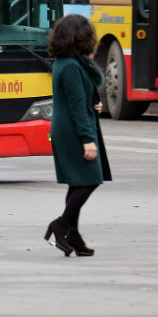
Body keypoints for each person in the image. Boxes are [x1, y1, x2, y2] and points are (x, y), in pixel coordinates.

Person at [45, 13, 111, 257]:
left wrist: (95, 104)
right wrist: (87, 140)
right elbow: (74, 105)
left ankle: (72, 233)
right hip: (73, 129)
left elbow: (81, 97)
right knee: (90, 179)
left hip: (68, 126)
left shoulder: (69, 62)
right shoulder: (71, 66)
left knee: (79, 181)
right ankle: (62, 224)